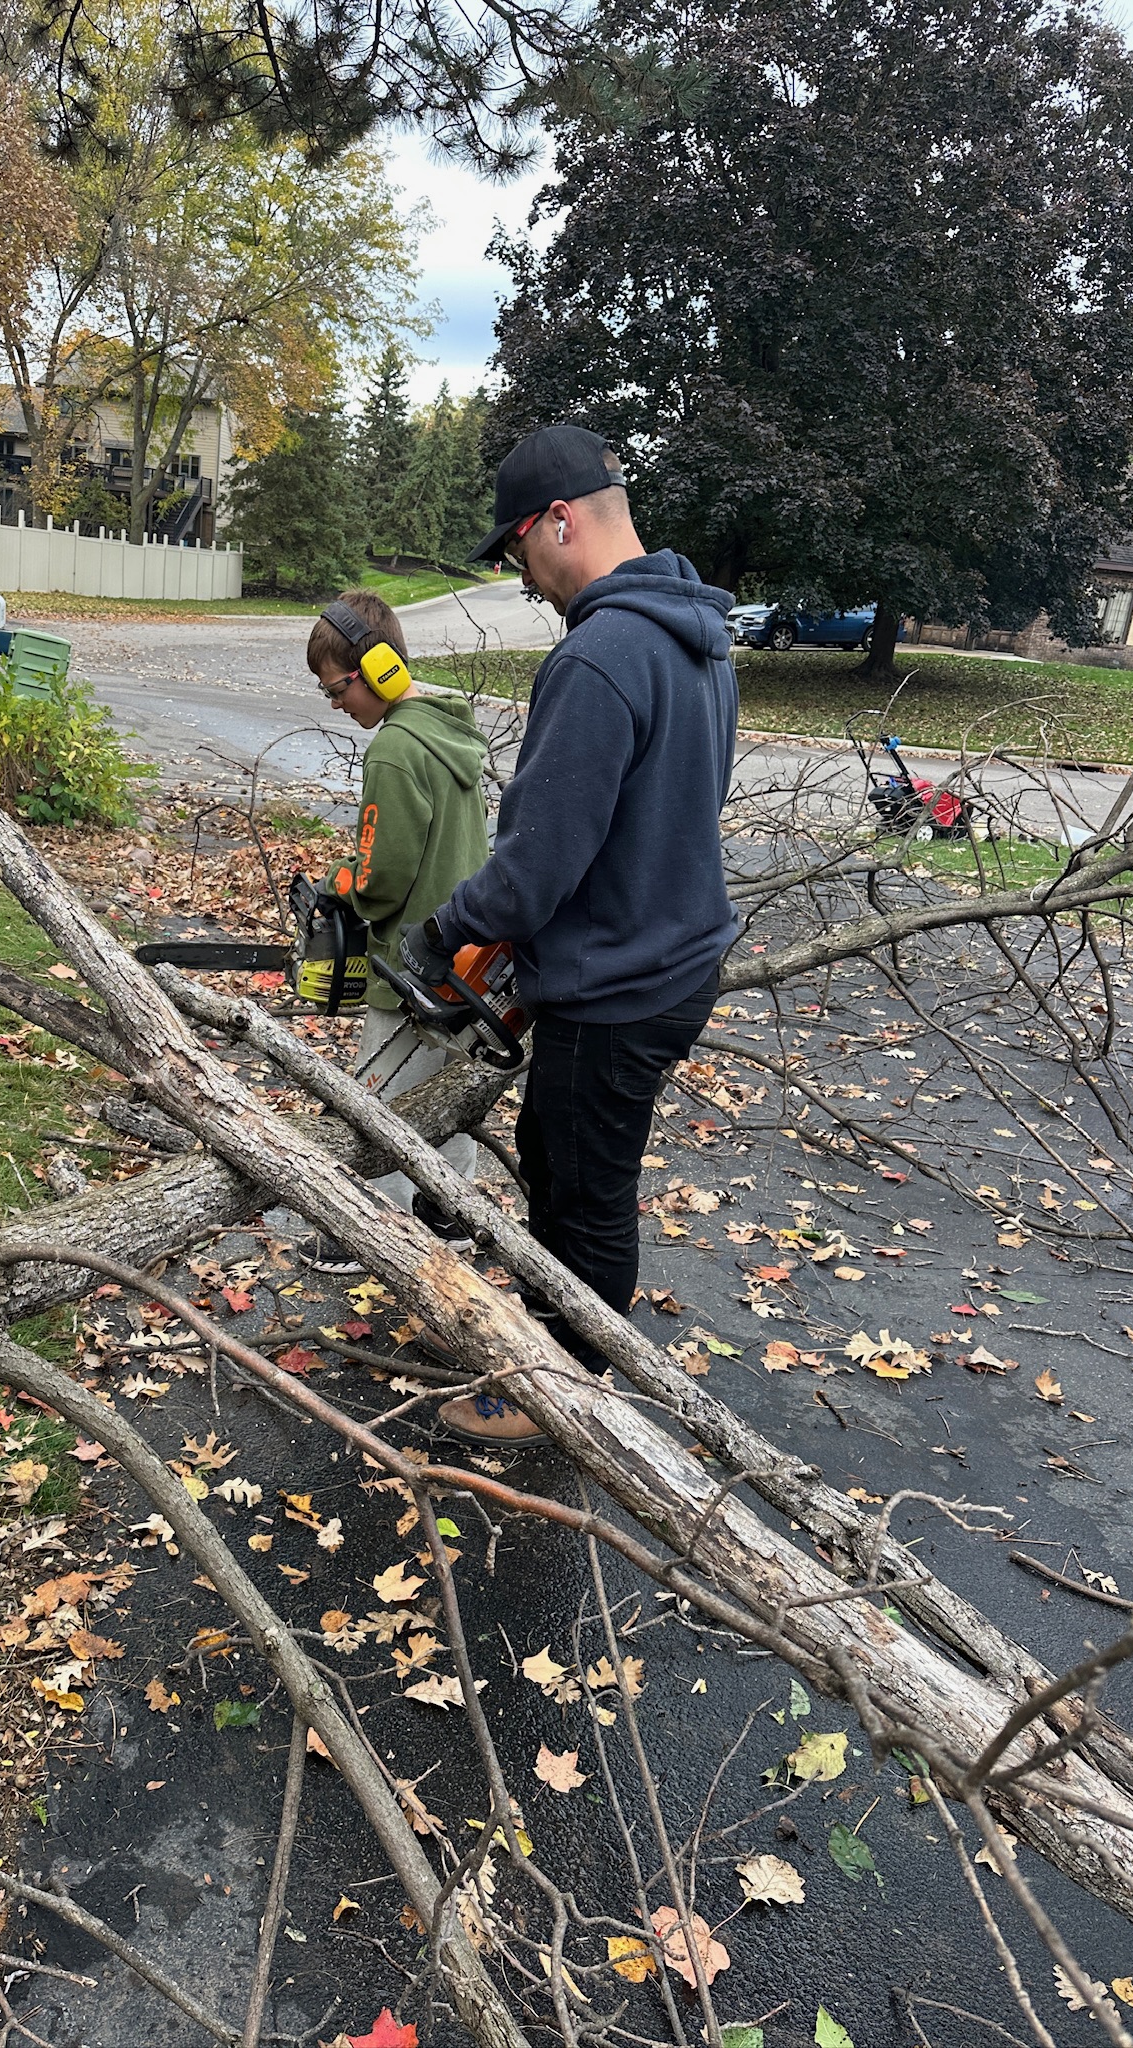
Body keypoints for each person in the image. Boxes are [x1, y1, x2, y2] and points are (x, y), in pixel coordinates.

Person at [401, 426, 739, 1444]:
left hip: (621, 982)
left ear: (559, 522)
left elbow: (538, 859)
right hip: (665, 950)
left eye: (519, 555)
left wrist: (448, 929)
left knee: (586, 1190)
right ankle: (546, 1339)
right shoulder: (697, 639)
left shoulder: (599, 655)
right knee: (558, 1155)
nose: (526, 580)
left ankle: (567, 1390)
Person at [306, 588, 490, 1257]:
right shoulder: (449, 732)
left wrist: (337, 883)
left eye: (336, 690)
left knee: (375, 1108)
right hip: (468, 960)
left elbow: (382, 878)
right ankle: (453, 1222)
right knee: (452, 1100)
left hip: (411, 964)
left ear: (379, 669)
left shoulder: (393, 750)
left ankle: (375, 1246)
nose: (335, 705)